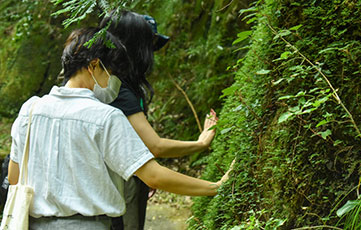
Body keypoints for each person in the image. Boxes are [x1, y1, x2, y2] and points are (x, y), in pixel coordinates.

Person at [7, 27, 229, 229]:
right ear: (93, 65)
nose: (114, 82)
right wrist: (215, 187)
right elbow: (153, 176)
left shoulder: (31, 110)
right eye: (110, 73)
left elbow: (15, 178)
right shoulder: (105, 117)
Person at [99, 11, 219, 230]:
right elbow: (154, 145)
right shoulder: (117, 90)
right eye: (148, 44)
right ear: (133, 45)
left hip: (126, 178)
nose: (151, 53)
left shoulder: (121, 86)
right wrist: (200, 144)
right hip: (118, 184)